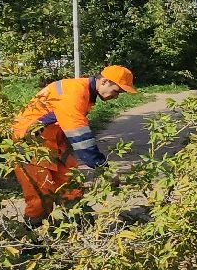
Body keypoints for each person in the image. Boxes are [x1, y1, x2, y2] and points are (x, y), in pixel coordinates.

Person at [10, 64, 135, 227]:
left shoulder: (84, 92)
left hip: (53, 141)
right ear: (104, 81)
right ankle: (31, 239)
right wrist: (104, 169)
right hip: (29, 143)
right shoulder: (74, 94)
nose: (116, 96)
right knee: (41, 198)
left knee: (72, 188)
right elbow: (81, 140)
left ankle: (81, 229)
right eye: (116, 91)